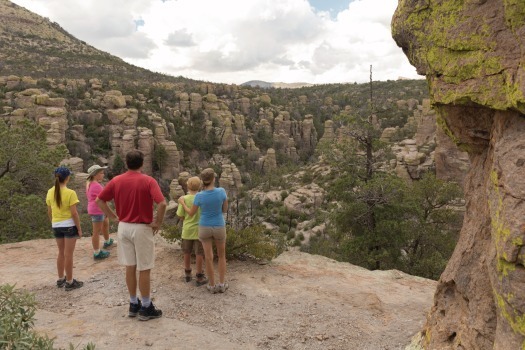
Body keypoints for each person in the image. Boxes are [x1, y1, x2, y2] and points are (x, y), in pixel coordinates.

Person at [96, 150, 167, 321]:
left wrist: (113, 217)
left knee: (130, 266)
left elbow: (99, 200)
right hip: (142, 228)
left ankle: (133, 303)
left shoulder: (116, 180)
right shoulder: (148, 181)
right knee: (144, 267)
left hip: (124, 227)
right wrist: (158, 222)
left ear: (126, 163)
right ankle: (146, 306)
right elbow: (162, 203)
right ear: (142, 163)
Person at [178, 168, 228, 294]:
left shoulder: (199, 196)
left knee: (208, 257)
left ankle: (211, 285)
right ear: (213, 179)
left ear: (202, 181)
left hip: (204, 227)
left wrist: (183, 203)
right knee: (221, 256)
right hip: (219, 225)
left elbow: (191, 213)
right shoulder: (221, 191)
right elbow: (225, 209)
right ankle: (221, 284)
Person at [46, 166, 83, 291]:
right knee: (69, 255)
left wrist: (54, 223)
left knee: (61, 253)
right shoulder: (70, 193)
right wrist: (79, 228)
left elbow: (49, 211)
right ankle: (70, 282)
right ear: (67, 178)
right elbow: (74, 213)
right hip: (69, 226)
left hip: (56, 225)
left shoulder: (50, 191)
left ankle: (61, 278)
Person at [176, 176, 208, 286]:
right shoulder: (202, 197)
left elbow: (180, 215)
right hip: (200, 229)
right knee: (199, 253)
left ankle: (188, 273)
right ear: (200, 186)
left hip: (187, 230)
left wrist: (186, 219)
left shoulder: (183, 199)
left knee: (187, 252)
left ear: (187, 186)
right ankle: (199, 276)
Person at [86, 164, 113, 260]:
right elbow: (103, 199)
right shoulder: (96, 186)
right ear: (95, 175)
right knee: (96, 232)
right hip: (97, 210)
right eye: (101, 173)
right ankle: (97, 253)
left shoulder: (90, 183)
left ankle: (107, 241)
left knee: (105, 223)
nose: (103, 174)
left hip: (96, 209)